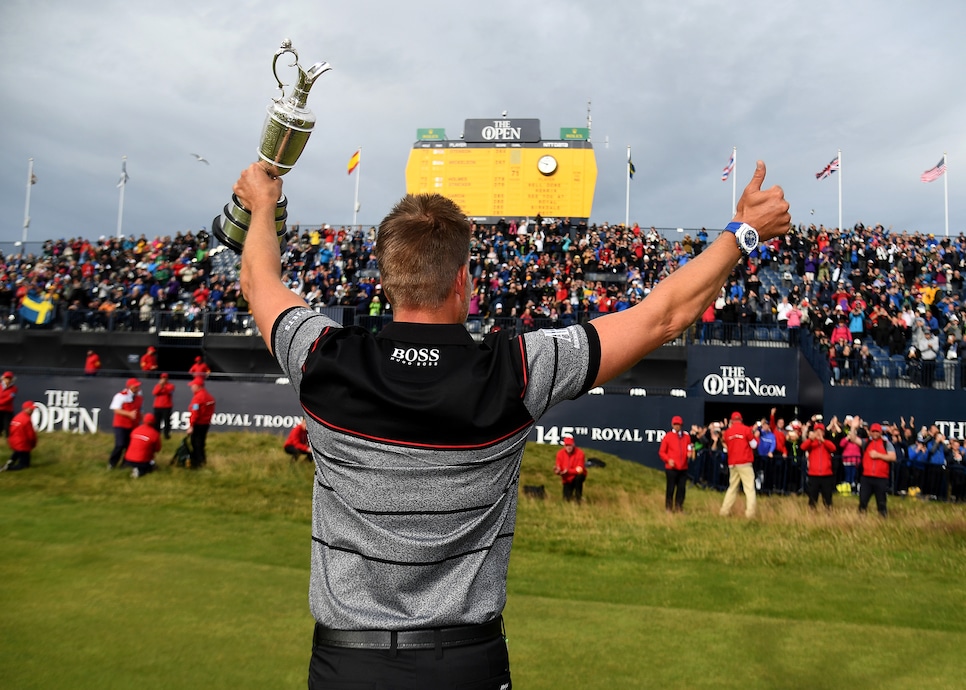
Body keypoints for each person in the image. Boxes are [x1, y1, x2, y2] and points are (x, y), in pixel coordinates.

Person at [233, 157, 788, 687]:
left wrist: (263, 206)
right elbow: (664, 316)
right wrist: (742, 232)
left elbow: (259, 282)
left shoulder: (322, 360)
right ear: (461, 281)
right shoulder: (515, 371)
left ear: (389, 281)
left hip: (347, 667)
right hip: (465, 665)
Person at [851, 418, 896, 516]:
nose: (875, 433)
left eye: (877, 431)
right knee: (863, 501)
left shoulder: (886, 444)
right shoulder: (866, 443)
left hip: (881, 478)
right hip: (866, 477)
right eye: (873, 431)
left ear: (880, 432)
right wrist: (853, 427)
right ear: (870, 432)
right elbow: (853, 439)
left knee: (881, 502)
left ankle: (882, 521)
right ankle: (860, 520)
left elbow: (893, 457)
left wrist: (878, 455)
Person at [720, 411, 759, 518]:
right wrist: (756, 436)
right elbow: (754, 445)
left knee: (732, 488)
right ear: (741, 420)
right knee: (749, 488)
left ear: (732, 421)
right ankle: (750, 513)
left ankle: (724, 511)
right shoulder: (746, 429)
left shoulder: (728, 432)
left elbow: (726, 444)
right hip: (745, 462)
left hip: (732, 463)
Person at [800, 419, 837, 510]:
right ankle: (812, 512)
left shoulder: (826, 443)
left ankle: (828, 511)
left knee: (827, 496)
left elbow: (833, 448)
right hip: (813, 474)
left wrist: (823, 441)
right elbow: (803, 447)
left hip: (826, 474)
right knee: (813, 496)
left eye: (821, 431)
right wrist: (810, 439)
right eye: (817, 431)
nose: (819, 433)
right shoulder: (811, 443)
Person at [659, 415, 692, 512]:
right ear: (672, 425)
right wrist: (668, 459)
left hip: (683, 467)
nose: (677, 426)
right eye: (675, 424)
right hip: (671, 468)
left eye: (679, 425)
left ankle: (679, 507)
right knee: (670, 488)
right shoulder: (668, 436)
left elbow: (689, 447)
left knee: (681, 489)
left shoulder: (686, 437)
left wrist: (689, 453)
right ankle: (668, 508)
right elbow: (662, 452)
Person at [108, 378, 142, 469]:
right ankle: (112, 463)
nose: (137, 387)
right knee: (120, 444)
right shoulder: (120, 396)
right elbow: (116, 409)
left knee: (130, 446)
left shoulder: (139, 397)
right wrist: (129, 414)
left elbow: (140, 411)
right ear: (130, 386)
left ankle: (125, 464)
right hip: (121, 424)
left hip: (133, 425)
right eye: (136, 386)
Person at [122, 413, 162, 478]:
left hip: (128, 459)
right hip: (142, 461)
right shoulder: (155, 434)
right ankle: (139, 471)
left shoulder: (135, 430)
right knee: (151, 467)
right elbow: (157, 449)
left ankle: (132, 468)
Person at [186, 377, 215, 467]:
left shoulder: (197, 398)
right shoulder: (209, 396)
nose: (191, 388)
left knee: (195, 443)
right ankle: (202, 460)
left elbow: (195, 413)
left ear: (198, 386)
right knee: (201, 443)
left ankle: (197, 462)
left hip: (198, 424)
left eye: (192, 386)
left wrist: (191, 425)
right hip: (206, 423)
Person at [2, 401, 37, 472]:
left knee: (17, 451)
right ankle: (8, 468)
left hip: (14, 441)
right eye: (31, 409)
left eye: (33, 409)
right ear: (25, 409)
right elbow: (30, 435)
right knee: (24, 465)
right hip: (23, 444)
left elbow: (11, 430)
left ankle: (10, 462)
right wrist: (33, 443)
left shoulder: (17, 417)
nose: (32, 411)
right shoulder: (27, 419)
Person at [554, 434, 587, 502]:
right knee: (566, 499)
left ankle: (578, 498)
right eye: (567, 445)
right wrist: (557, 471)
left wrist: (568, 471)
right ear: (564, 446)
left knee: (579, 478)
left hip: (576, 476)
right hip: (566, 478)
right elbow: (558, 466)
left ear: (573, 445)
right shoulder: (560, 454)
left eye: (570, 445)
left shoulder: (580, 453)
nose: (568, 447)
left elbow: (580, 469)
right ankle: (574, 498)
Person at [152, 373, 175, 439]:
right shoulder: (157, 386)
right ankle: (156, 434)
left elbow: (169, 392)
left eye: (165, 378)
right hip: (157, 406)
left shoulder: (171, 385)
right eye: (162, 378)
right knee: (157, 421)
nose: (163, 379)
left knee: (167, 421)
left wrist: (163, 387)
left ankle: (166, 434)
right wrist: (161, 386)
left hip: (167, 406)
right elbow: (155, 393)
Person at [0, 371, 17, 437]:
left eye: (9, 378)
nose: (8, 380)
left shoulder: (14, 388)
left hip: (8, 411)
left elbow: (9, 399)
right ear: (3, 378)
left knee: (8, 427)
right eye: (6, 378)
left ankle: (9, 440)